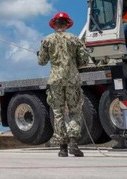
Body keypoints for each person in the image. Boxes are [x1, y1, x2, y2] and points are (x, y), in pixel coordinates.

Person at [38, 11, 92, 157]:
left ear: (54, 24)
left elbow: (41, 62)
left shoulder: (47, 40)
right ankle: (73, 142)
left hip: (55, 79)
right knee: (75, 110)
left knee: (58, 112)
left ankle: (62, 148)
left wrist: (41, 54)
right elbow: (84, 60)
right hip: (72, 79)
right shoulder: (74, 39)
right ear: (67, 24)